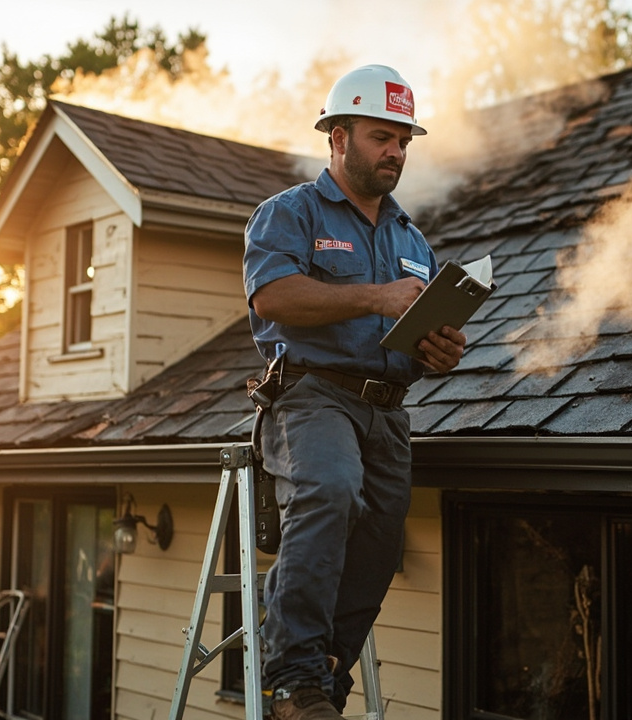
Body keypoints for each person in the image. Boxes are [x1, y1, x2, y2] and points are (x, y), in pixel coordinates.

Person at [242, 64, 467, 720]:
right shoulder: (290, 214)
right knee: (331, 489)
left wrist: (439, 352)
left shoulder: (411, 239)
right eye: (381, 137)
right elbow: (272, 298)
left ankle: (324, 690)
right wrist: (375, 296)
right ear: (338, 137)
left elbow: (411, 334)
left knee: (379, 544)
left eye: (403, 140)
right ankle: (291, 681)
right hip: (313, 396)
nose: (396, 151)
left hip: (388, 410)